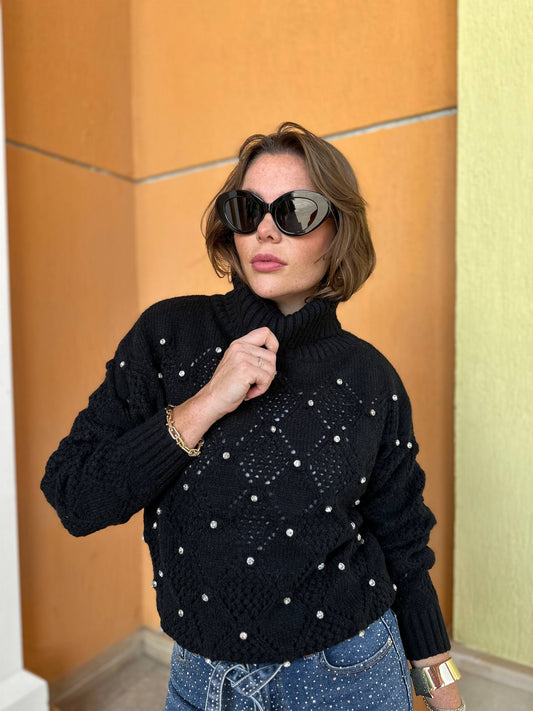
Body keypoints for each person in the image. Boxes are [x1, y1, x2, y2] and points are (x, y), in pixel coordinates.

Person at [41, 122, 464, 711]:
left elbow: (402, 539)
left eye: (296, 211)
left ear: (338, 230)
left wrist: (442, 687)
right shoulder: (168, 335)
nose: (266, 229)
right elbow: (75, 497)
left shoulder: (372, 378)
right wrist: (205, 404)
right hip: (200, 680)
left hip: (347, 675)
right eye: (248, 209)